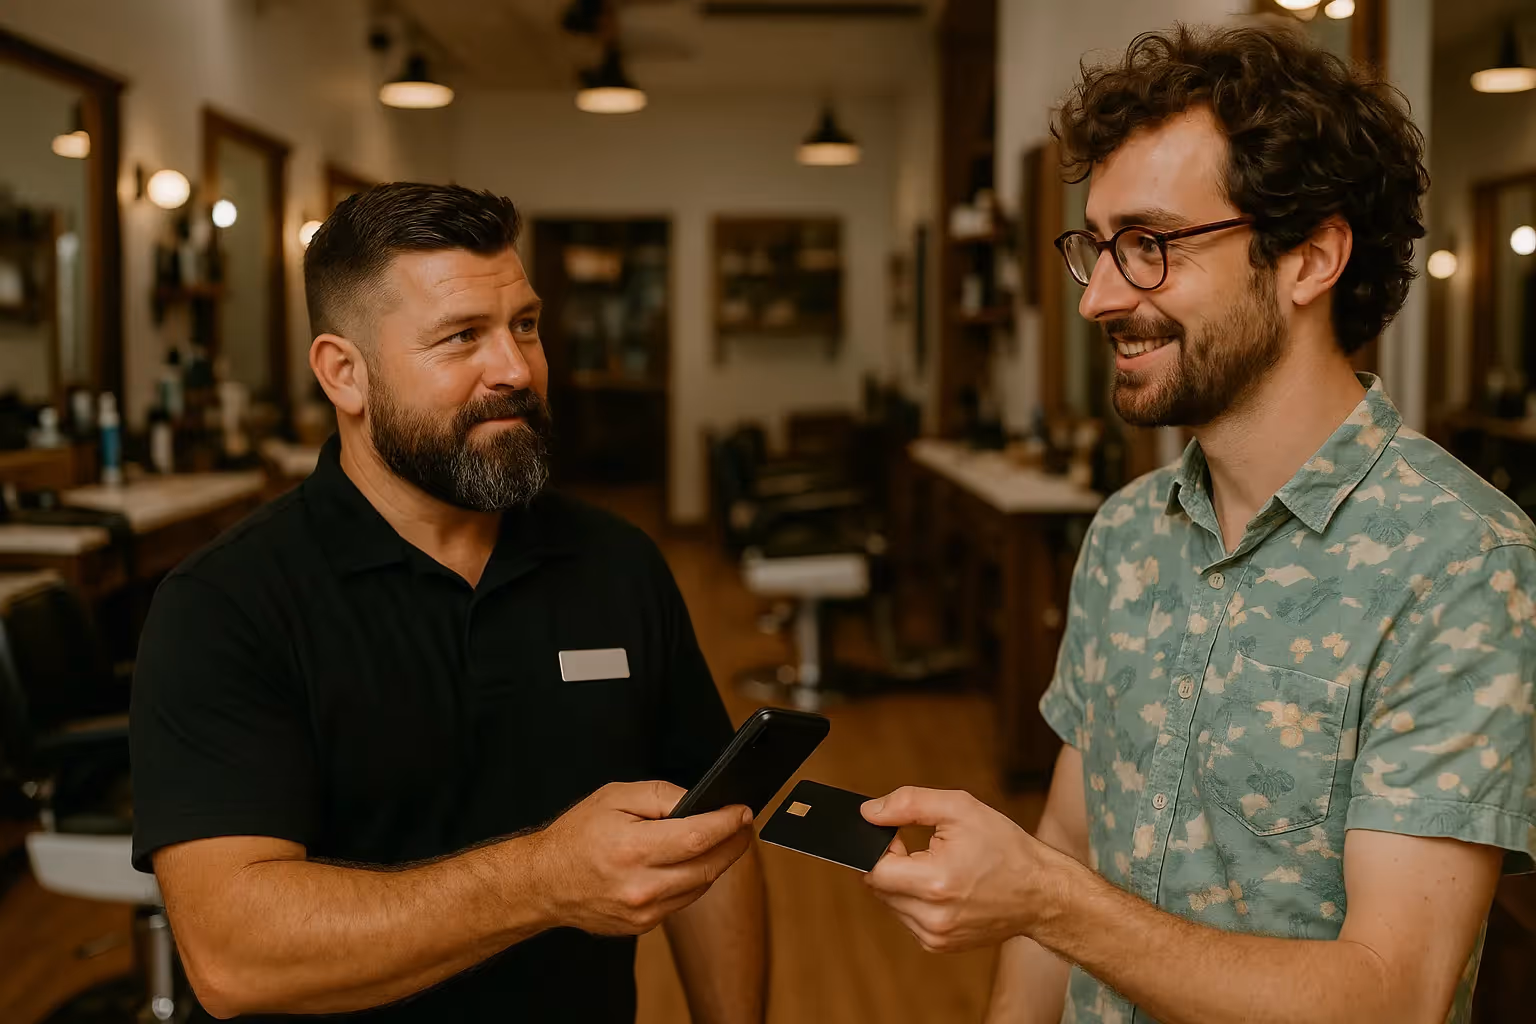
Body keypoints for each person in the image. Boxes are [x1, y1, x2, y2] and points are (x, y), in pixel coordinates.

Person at [861, 23, 1536, 1024]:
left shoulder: (1462, 563)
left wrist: (1048, 898)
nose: (1097, 297)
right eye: (1096, 248)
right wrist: (1050, 895)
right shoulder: (1128, 533)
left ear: (1310, 258)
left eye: (1150, 246)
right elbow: (1073, 837)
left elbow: (1395, 996)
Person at [129, 183, 766, 1023]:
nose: (515, 369)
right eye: (461, 336)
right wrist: (542, 882)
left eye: (525, 326)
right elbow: (232, 956)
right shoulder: (227, 606)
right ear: (343, 374)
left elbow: (709, 837)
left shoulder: (616, 565)